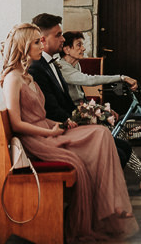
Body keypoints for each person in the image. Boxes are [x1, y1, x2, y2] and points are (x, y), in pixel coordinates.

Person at [0, 23, 137, 241]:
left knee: (100, 134)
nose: (40, 45)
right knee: (98, 138)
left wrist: (62, 124)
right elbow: (16, 124)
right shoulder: (12, 79)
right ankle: (103, 209)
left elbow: (41, 115)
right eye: (36, 42)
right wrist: (50, 133)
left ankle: (108, 207)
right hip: (37, 139)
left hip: (47, 128)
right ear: (24, 46)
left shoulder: (28, 76)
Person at [28, 14, 133, 170]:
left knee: (124, 146)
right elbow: (51, 109)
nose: (62, 39)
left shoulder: (54, 63)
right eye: (58, 35)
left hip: (70, 120)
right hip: (58, 129)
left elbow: (68, 101)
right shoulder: (37, 68)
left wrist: (96, 112)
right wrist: (82, 123)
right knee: (117, 151)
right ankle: (100, 187)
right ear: (43, 39)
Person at [59, 30, 141, 191]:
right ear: (66, 49)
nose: (83, 49)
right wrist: (121, 77)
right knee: (116, 132)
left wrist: (100, 109)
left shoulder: (74, 64)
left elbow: (81, 97)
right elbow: (89, 80)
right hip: (72, 116)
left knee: (118, 132)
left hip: (81, 110)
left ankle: (136, 176)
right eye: (79, 45)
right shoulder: (62, 67)